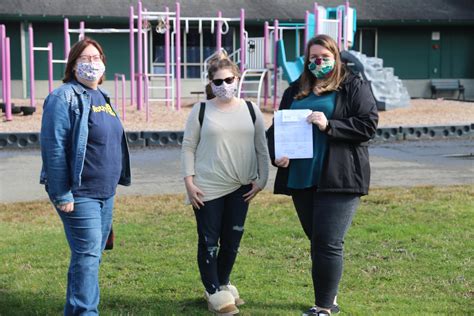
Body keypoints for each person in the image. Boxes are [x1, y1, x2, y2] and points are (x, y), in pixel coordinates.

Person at [267, 34, 378, 316]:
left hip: (338, 176)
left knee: (328, 242)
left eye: (325, 57)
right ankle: (330, 294)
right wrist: (277, 153)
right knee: (317, 240)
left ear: (336, 58)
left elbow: (368, 125)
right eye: (313, 58)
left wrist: (330, 125)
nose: (319, 62)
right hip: (301, 176)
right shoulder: (295, 90)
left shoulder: (353, 85)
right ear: (307, 61)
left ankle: (324, 307)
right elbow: (276, 129)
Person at [40, 37, 131, 315]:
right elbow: (53, 147)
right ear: (73, 65)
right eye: (85, 59)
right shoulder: (63, 96)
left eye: (96, 58)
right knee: (88, 257)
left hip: (106, 193)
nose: (92, 63)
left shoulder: (102, 97)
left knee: (91, 257)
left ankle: (76, 309)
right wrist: (62, 193)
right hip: (80, 195)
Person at [181, 52, 269, 315]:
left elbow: (261, 148)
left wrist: (263, 180)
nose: (223, 85)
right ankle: (212, 291)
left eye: (228, 79)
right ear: (210, 83)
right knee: (209, 241)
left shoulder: (252, 110)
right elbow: (187, 147)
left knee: (232, 240)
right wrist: (188, 181)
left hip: (241, 186)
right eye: (217, 82)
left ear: (237, 78)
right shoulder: (201, 110)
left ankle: (223, 282)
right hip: (206, 187)